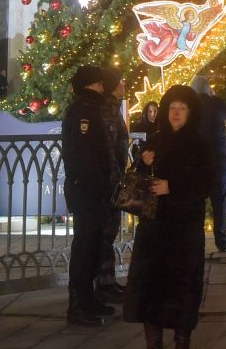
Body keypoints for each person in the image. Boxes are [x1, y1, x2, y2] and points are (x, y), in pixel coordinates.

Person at [124, 85, 215, 349]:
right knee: (150, 288)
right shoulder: (155, 140)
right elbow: (137, 180)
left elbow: (207, 183)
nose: (176, 113)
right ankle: (153, 342)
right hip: (154, 228)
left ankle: (181, 339)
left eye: (182, 108)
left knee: (182, 287)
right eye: (172, 108)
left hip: (184, 229)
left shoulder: (199, 145)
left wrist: (172, 187)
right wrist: (143, 162)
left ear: (191, 113)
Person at [63, 66, 118, 325]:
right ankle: (78, 304)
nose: (102, 89)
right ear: (88, 86)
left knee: (95, 244)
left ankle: (89, 298)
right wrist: (97, 182)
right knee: (85, 246)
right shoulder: (82, 112)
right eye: (98, 84)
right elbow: (84, 155)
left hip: (96, 189)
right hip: (87, 190)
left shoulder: (91, 109)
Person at [98, 67, 133, 301]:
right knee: (104, 233)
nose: (123, 86)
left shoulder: (113, 107)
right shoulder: (106, 110)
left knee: (108, 234)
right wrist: (115, 178)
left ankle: (108, 281)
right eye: (119, 83)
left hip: (115, 178)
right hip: (109, 181)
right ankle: (103, 284)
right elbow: (109, 147)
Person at [194, 76, 226, 251]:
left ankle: (196, 239)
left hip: (198, 160)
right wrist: (215, 96)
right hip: (218, 159)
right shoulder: (215, 103)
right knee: (220, 201)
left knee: (197, 201)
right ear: (208, 88)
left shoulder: (192, 105)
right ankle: (221, 240)